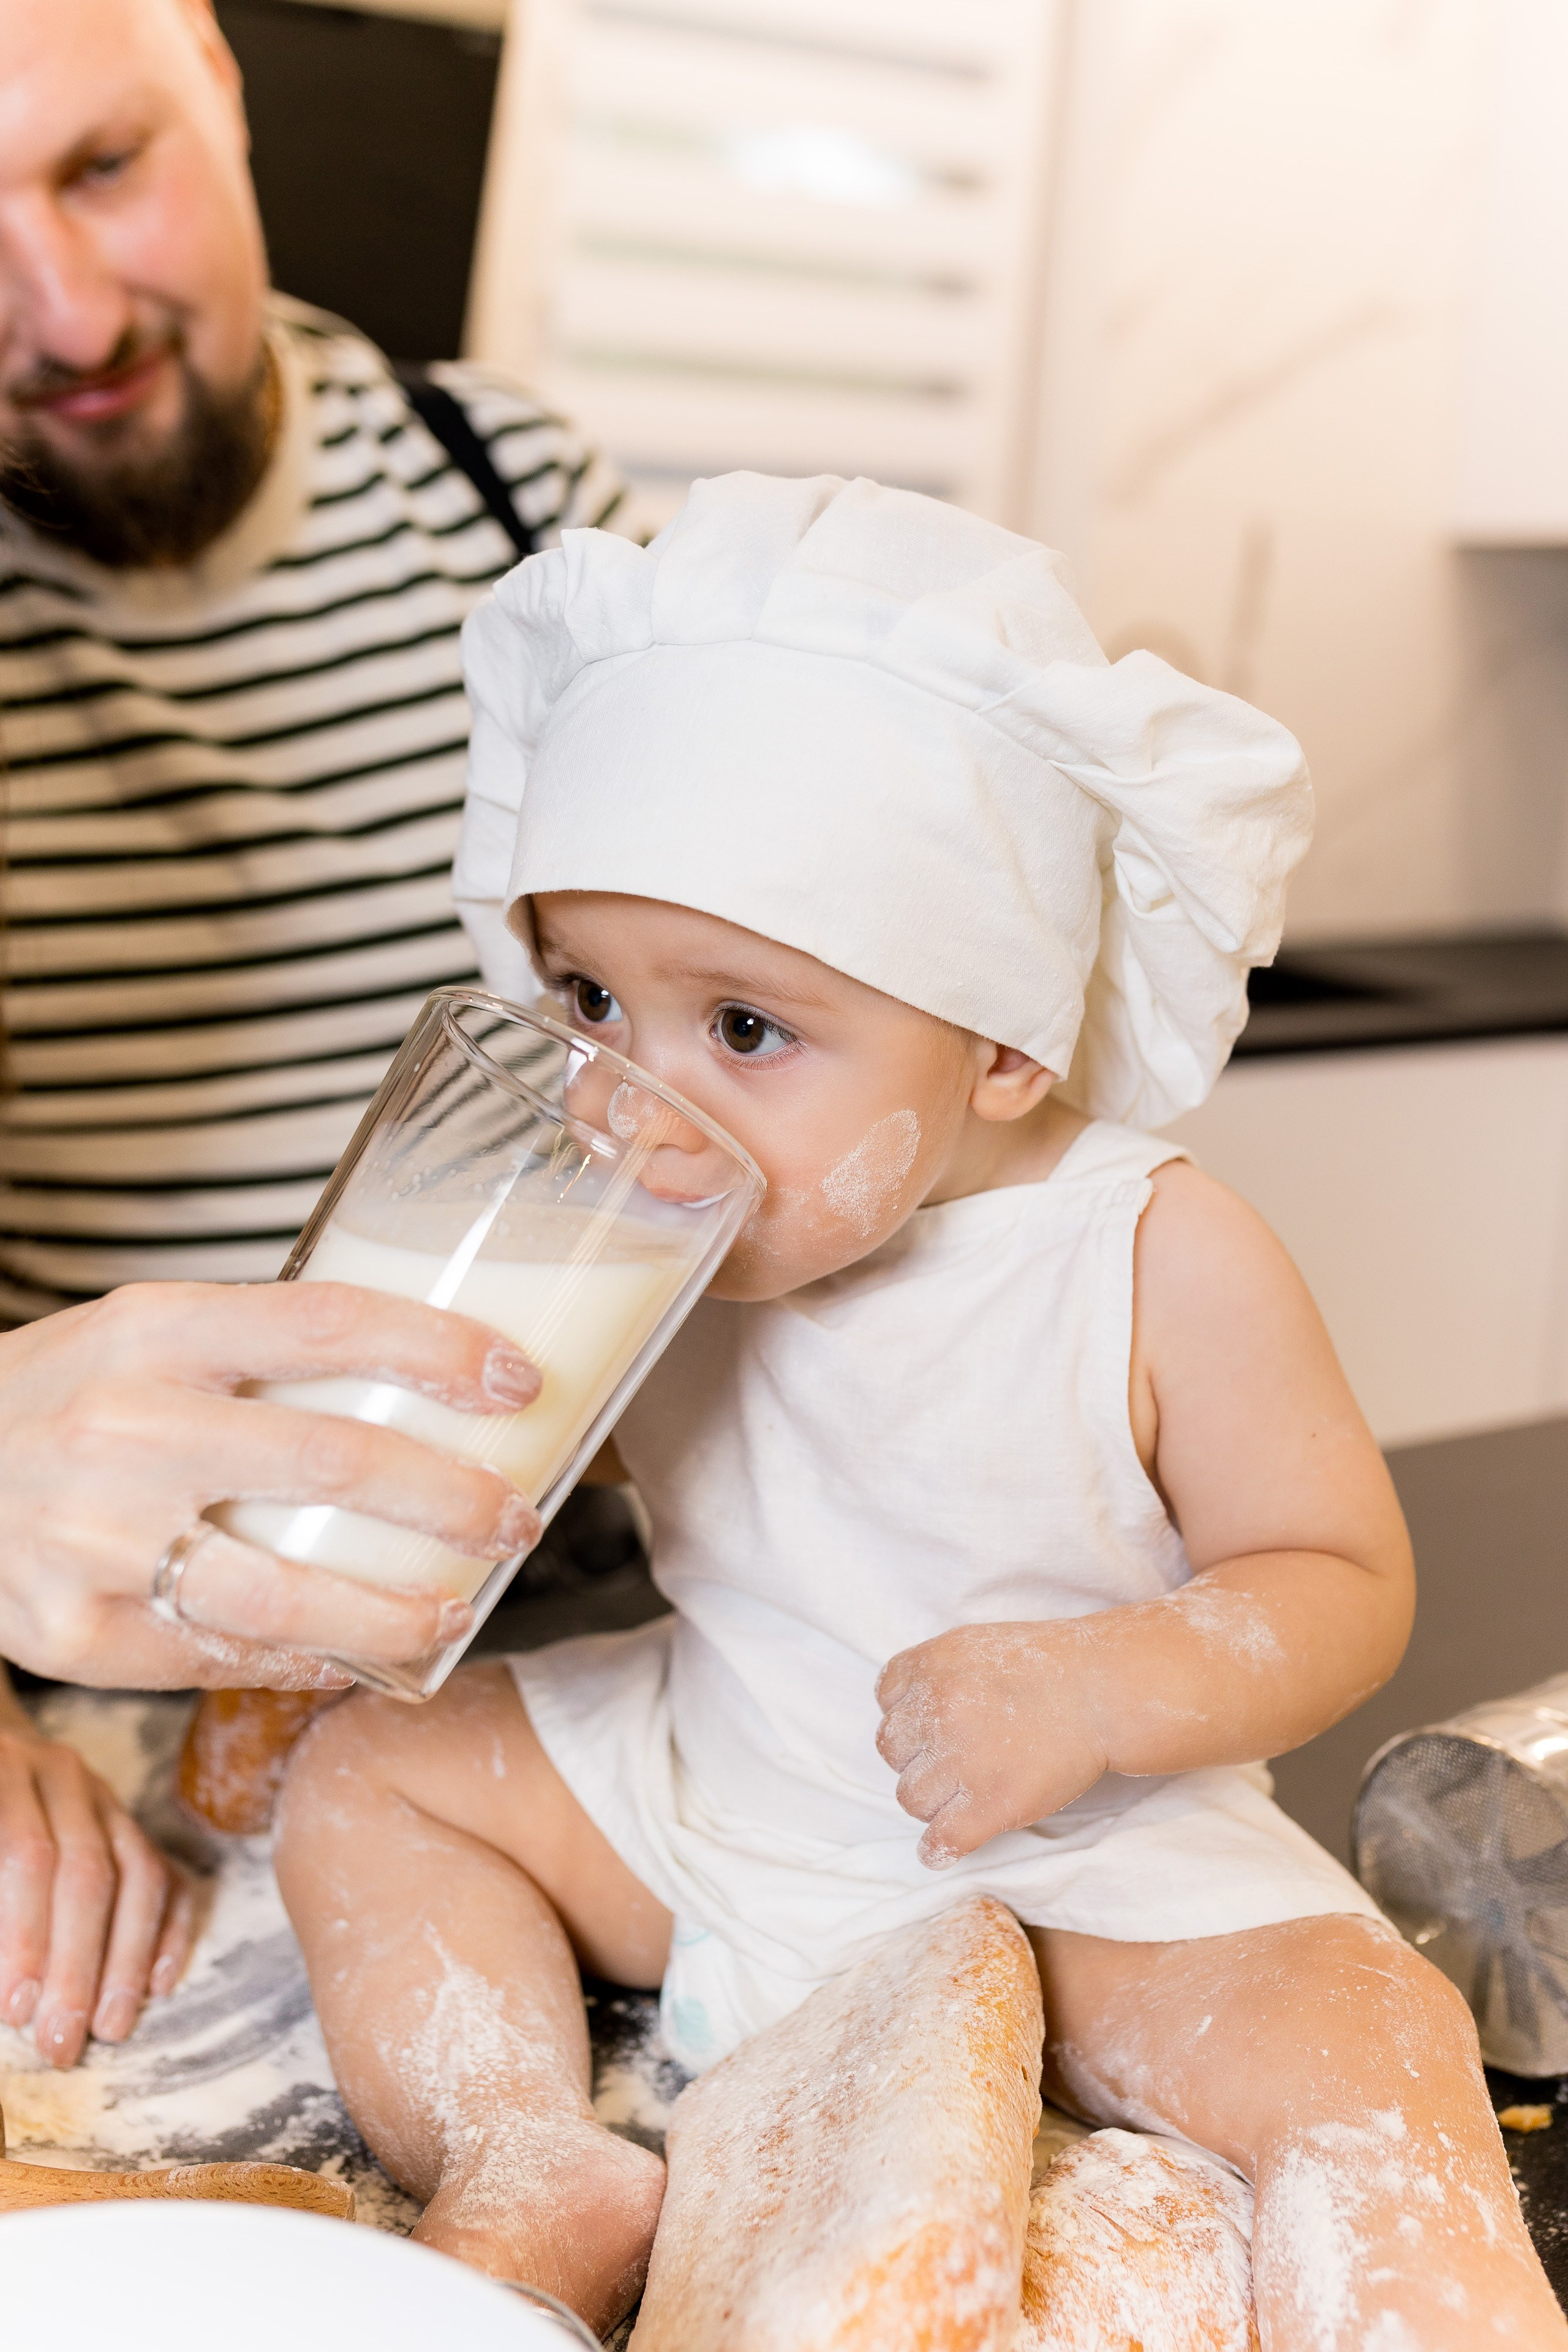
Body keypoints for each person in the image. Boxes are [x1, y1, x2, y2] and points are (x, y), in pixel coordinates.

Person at [273, 473, 1567, 2347]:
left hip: (1074, 1853)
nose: (638, 1104)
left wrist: (1103, 1688)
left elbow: (1337, 1572)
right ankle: (517, 2146)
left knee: (1375, 2044)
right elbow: (565, 1474)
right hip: (712, 1784)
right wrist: (424, 1479)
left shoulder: (1148, 1257)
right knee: (370, 1780)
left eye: (742, 1029)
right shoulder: (632, 1247)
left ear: (1004, 1045)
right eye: (585, 997)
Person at [0, 0, 622, 2064]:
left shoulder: (520, 503)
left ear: (224, 86)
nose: (67, 311)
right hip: (99, 1708)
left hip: (592, 1628)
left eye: (107, 165)